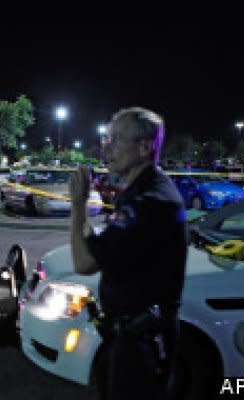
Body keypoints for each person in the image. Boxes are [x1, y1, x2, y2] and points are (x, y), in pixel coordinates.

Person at [69, 107, 187, 400]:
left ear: (144, 147)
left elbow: (83, 262)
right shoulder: (136, 193)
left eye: (115, 139)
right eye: (106, 138)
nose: (105, 146)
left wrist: (78, 206)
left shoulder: (151, 202)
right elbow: (96, 250)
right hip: (127, 337)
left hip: (141, 347)